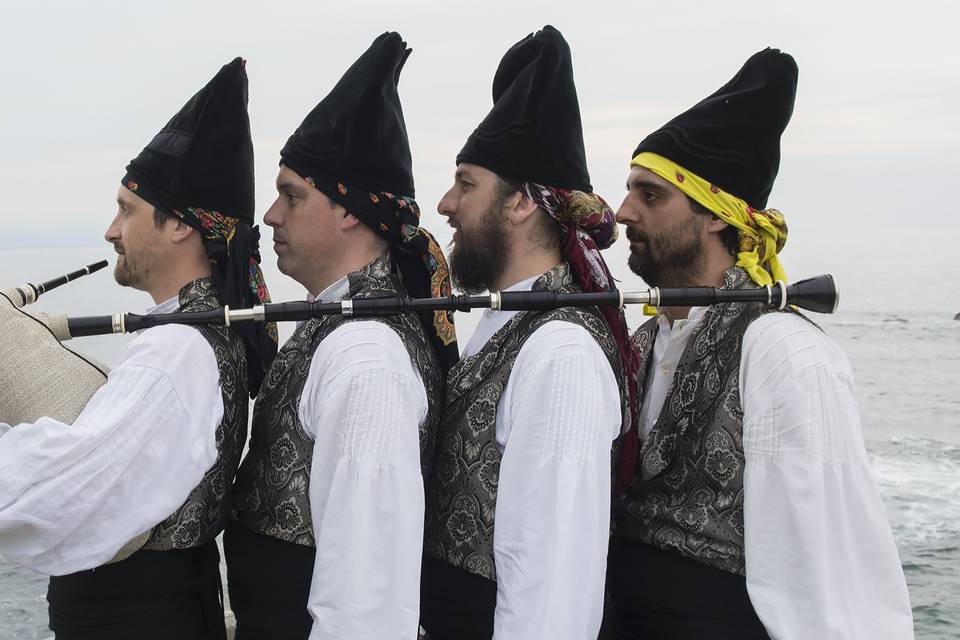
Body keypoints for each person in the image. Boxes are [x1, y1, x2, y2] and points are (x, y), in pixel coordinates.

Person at [604, 48, 914, 639]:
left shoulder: (784, 352)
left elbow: (828, 564)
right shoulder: (643, 341)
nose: (623, 212)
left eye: (650, 195)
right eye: (629, 192)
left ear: (718, 215)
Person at [0, 57, 276, 640]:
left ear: (179, 225)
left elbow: (70, 486)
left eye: (126, 210)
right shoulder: (199, 333)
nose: (111, 230)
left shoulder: (176, 351)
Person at [226, 33, 458, 640]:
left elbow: (367, 594)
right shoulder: (335, 322)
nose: (271, 216)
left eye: (292, 195)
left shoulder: (368, 355)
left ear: (350, 209)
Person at [419, 25, 638, 640]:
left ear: (520, 203)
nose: (445, 203)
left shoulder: (561, 351)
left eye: (466, 184)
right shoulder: (507, 321)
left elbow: (552, 582)